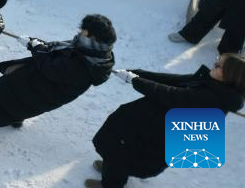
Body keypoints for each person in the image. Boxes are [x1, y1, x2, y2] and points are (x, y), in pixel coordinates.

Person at [0, 14, 116, 154]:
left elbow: (50, 67)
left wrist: (36, 48)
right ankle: (14, 119)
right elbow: (58, 52)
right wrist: (36, 45)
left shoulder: (83, 66)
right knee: (13, 106)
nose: (80, 31)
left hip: (37, 91)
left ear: (93, 37)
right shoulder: (96, 52)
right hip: (38, 87)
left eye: (84, 30)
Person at [87, 54, 245, 188]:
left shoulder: (212, 99)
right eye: (217, 60)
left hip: (156, 138)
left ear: (229, 76)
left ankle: (110, 183)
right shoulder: (213, 83)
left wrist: (134, 80)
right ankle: (112, 168)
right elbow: (171, 80)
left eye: (219, 65)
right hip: (152, 126)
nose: (215, 64)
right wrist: (138, 74)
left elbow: (170, 94)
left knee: (122, 153)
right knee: (118, 151)